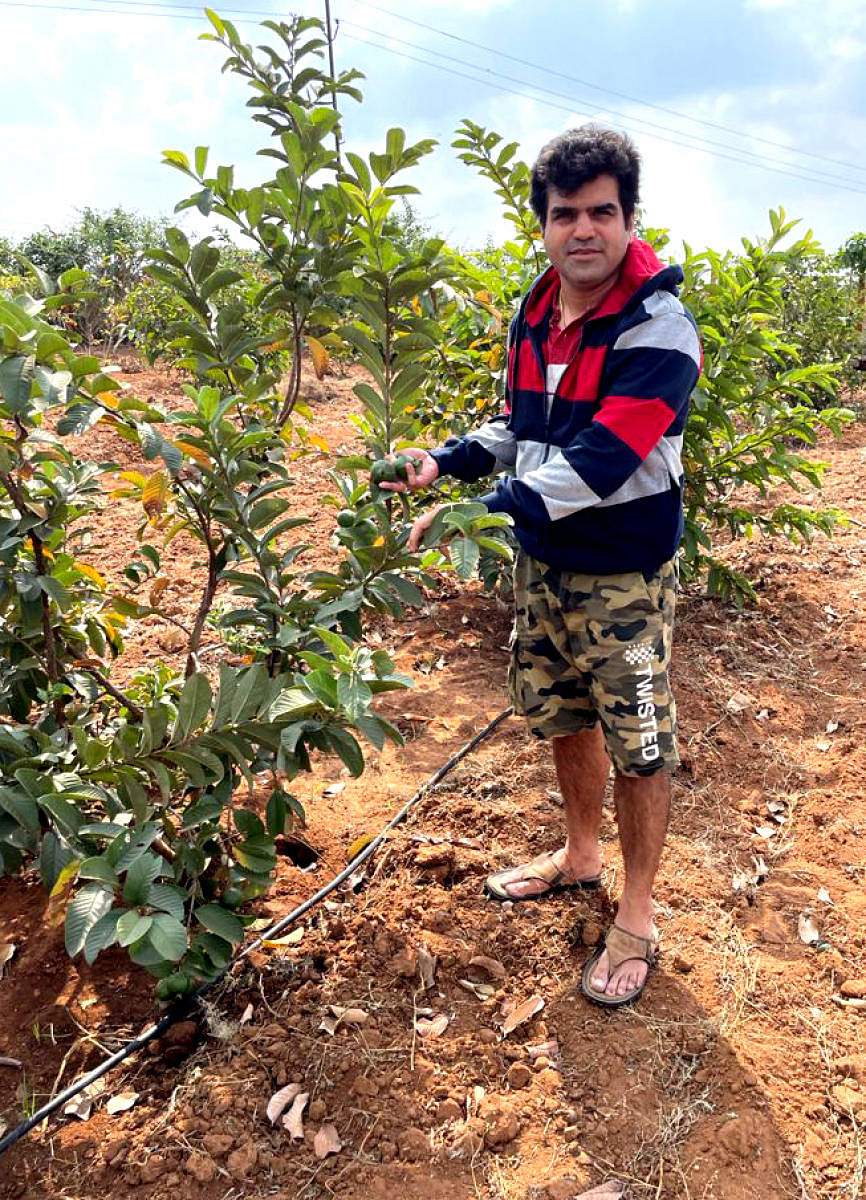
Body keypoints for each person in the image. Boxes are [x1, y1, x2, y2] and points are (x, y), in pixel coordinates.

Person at [377, 125, 701, 1008]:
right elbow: (523, 428)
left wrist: (483, 510)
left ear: (631, 219)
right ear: (545, 226)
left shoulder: (658, 325)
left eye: (603, 212)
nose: (584, 230)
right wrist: (447, 462)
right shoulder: (537, 310)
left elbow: (602, 457)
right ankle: (580, 856)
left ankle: (635, 912)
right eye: (566, 215)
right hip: (544, 568)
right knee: (563, 715)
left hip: (623, 576)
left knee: (638, 740)